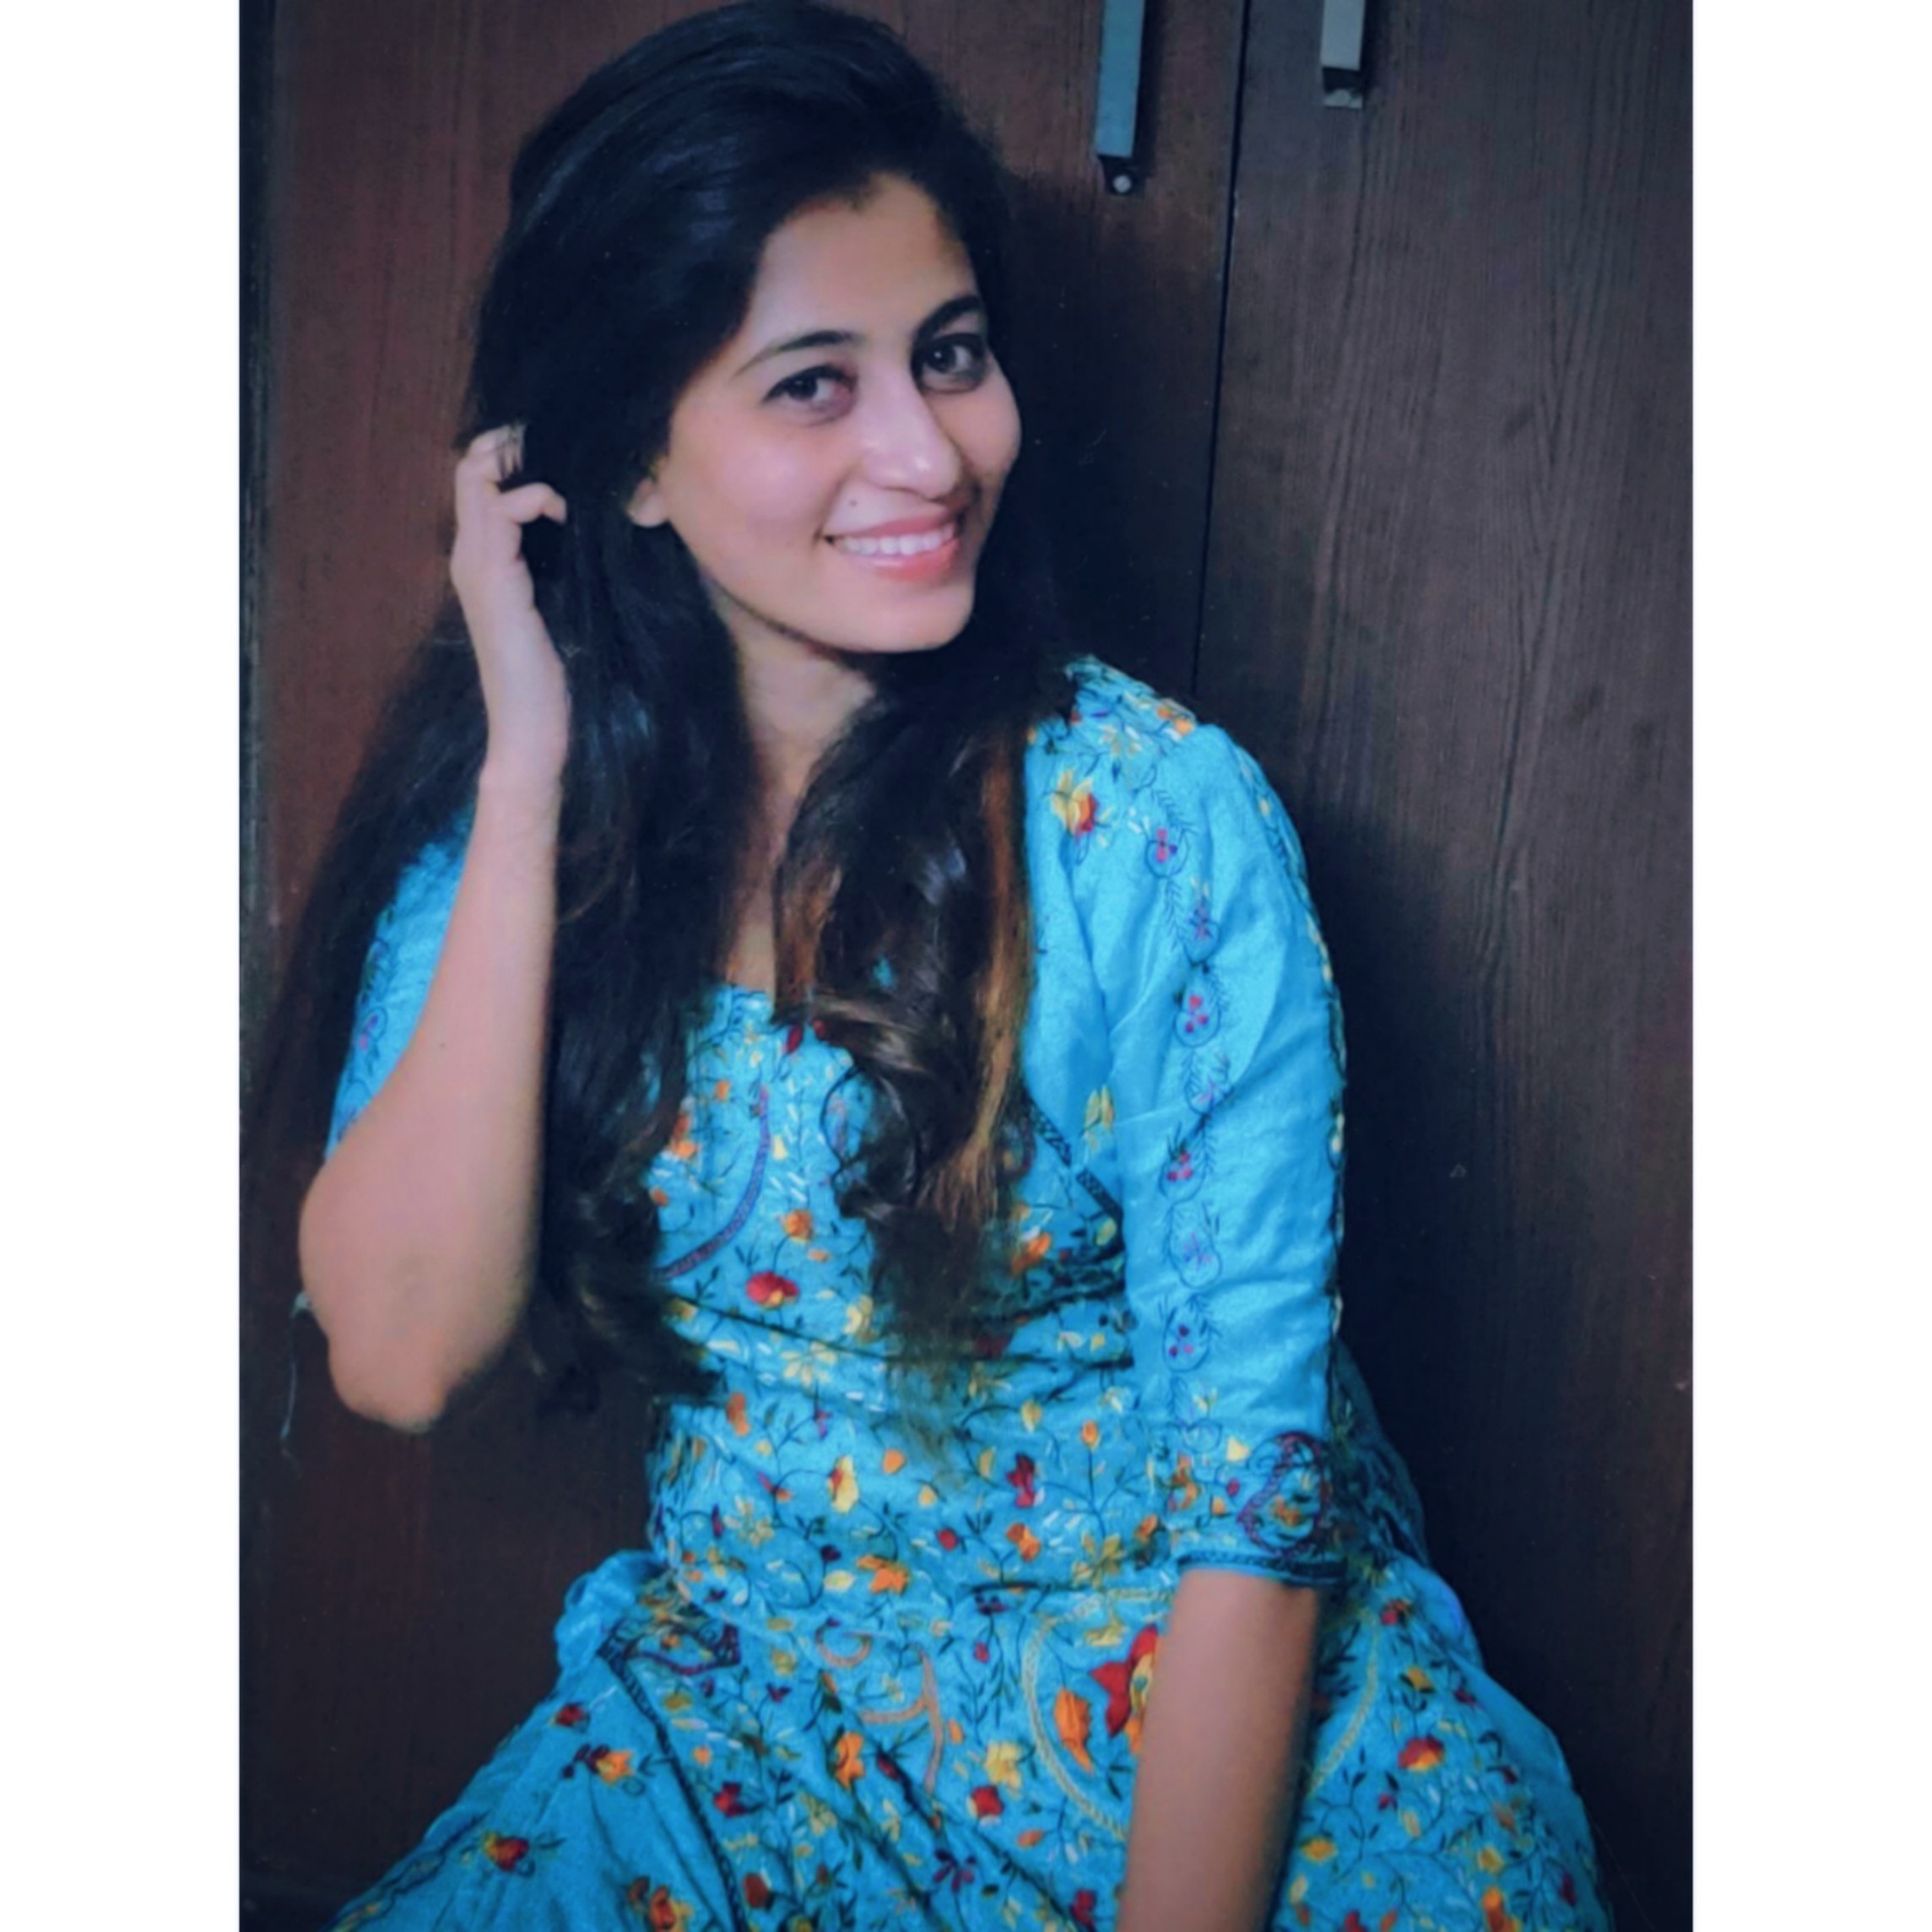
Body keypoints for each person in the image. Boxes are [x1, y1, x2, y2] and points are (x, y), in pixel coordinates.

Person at [275, 6, 1611, 1928]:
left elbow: (1255, 1523)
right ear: (631, 458)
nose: (927, 451)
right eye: (812, 383)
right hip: (745, 1736)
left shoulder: (1146, 822)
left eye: (951, 355)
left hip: (1223, 1737)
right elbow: (401, 1354)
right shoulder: (528, 832)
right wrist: (525, 772)